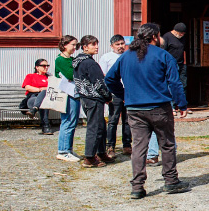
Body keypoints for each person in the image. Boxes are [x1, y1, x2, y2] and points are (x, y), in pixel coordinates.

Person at [104, 23, 190, 199]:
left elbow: (110, 79)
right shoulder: (163, 55)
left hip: (134, 108)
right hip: (159, 107)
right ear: (154, 37)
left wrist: (125, 94)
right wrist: (181, 104)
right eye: (159, 36)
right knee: (166, 144)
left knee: (138, 147)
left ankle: (137, 186)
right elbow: (175, 82)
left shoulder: (125, 57)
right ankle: (171, 181)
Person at [73, 35, 114, 168]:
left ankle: (101, 152)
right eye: (93, 45)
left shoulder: (78, 61)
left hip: (85, 97)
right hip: (93, 98)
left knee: (100, 125)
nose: (96, 47)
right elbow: (99, 83)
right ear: (85, 47)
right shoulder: (89, 63)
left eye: (96, 44)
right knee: (94, 127)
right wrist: (108, 97)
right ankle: (90, 157)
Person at [100, 34, 131, 156]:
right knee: (113, 119)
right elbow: (103, 76)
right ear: (111, 46)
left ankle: (127, 144)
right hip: (114, 92)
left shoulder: (129, 56)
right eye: (117, 44)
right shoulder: (107, 57)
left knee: (128, 120)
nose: (120, 47)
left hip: (128, 91)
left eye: (122, 44)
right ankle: (110, 146)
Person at [54, 35, 81, 162]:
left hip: (73, 93)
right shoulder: (61, 60)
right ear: (65, 45)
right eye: (73, 45)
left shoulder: (71, 59)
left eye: (76, 45)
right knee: (68, 121)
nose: (75, 47)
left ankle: (68, 148)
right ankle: (63, 150)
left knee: (72, 122)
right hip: (66, 93)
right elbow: (71, 74)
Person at [22, 59, 53, 134]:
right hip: (32, 98)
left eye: (47, 66)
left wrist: (44, 89)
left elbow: (54, 88)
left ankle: (34, 110)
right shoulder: (30, 76)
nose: (46, 67)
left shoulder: (49, 77)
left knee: (44, 99)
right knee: (43, 100)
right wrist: (40, 89)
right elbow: (28, 87)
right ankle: (46, 126)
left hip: (46, 99)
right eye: (43, 66)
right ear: (37, 67)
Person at [162, 22, 188, 90]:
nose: (182, 35)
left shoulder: (182, 38)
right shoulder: (167, 37)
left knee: (183, 84)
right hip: (171, 65)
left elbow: (184, 50)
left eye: (183, 33)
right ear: (175, 31)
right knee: (172, 84)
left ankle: (182, 100)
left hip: (181, 64)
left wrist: (185, 63)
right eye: (181, 33)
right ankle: (173, 100)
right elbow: (163, 52)